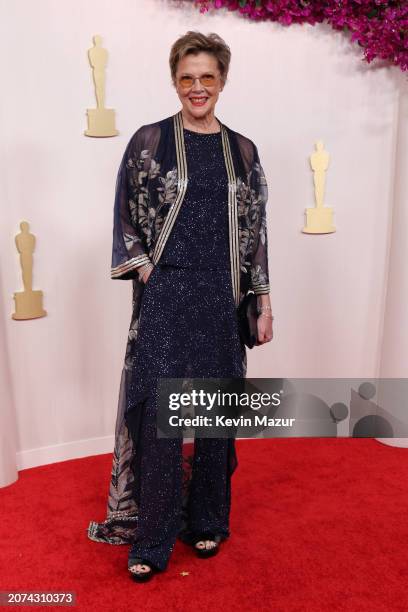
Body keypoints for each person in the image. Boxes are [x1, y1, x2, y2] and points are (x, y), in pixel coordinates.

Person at [87, 30, 273, 582]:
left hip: (222, 296)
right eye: (187, 78)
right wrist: (148, 272)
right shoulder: (148, 141)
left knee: (216, 414)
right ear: (175, 81)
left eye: (207, 77)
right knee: (163, 420)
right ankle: (153, 534)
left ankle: (208, 520)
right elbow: (125, 212)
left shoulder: (243, 151)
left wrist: (262, 300)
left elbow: (256, 231)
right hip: (167, 294)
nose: (198, 87)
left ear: (222, 81)